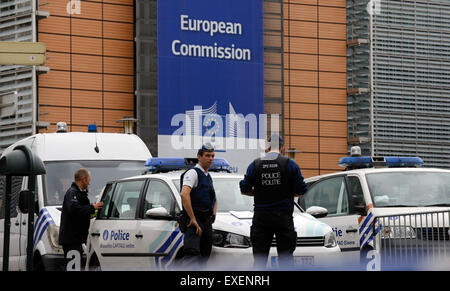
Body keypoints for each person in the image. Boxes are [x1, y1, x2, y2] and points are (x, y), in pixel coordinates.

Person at [240, 134, 308, 270]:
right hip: (283, 217)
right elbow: (301, 190)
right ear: (282, 148)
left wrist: (259, 192)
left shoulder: (255, 164)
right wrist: (287, 192)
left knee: (259, 260)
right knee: (286, 259)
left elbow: (244, 189)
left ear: (267, 148)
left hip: (261, 218)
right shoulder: (290, 164)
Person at [179, 143, 218, 269]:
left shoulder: (208, 176)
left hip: (205, 220)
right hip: (194, 221)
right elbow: (184, 194)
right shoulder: (193, 173)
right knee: (192, 257)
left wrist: (213, 214)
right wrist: (193, 218)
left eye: (212, 156)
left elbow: (214, 198)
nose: (210, 158)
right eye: (207, 155)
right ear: (199, 157)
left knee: (204, 256)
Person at [58, 168, 103, 270]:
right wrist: (92, 208)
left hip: (76, 240)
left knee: (75, 267)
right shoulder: (72, 193)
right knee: (73, 268)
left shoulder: (79, 193)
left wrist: (93, 212)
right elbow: (74, 209)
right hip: (71, 240)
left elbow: (81, 213)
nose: (89, 182)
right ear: (84, 179)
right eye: (89, 179)